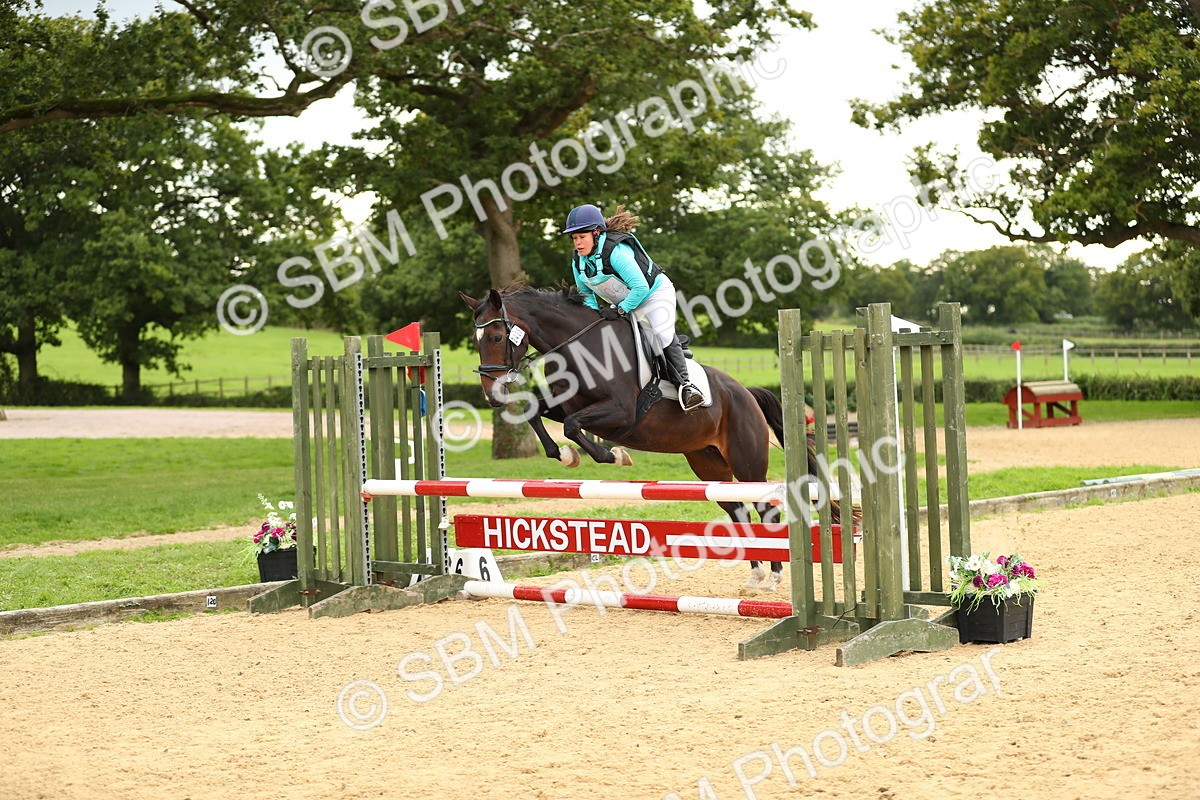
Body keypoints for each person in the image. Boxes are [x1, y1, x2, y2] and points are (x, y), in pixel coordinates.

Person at [564, 203, 704, 411]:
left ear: (596, 233)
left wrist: (619, 310)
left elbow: (640, 287)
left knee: (662, 334)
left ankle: (686, 386)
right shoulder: (579, 262)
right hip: (625, 300)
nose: (578, 243)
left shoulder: (616, 252)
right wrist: (591, 319)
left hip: (654, 293)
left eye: (581, 237)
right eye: (574, 238)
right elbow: (586, 295)